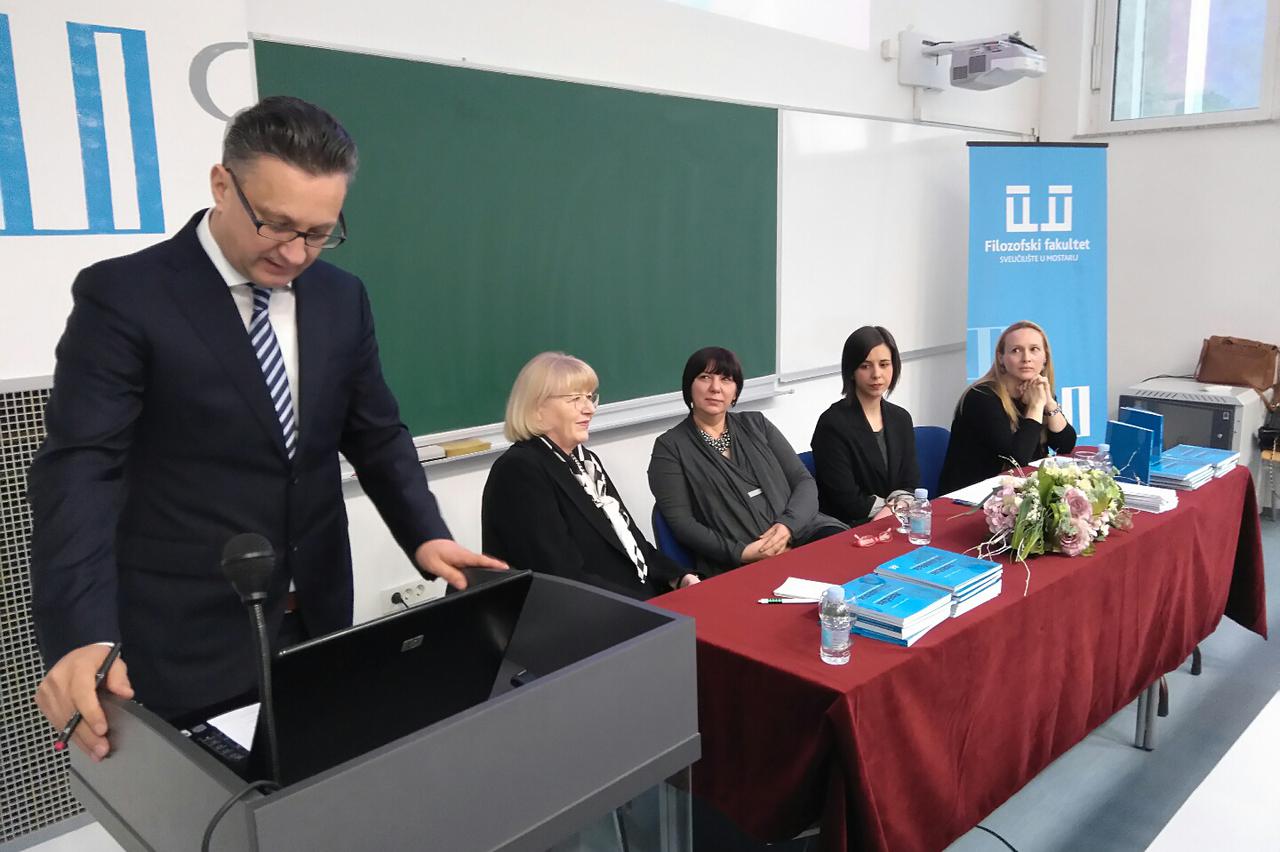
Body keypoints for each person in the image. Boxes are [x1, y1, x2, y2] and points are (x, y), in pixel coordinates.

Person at [28, 96, 505, 755]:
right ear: (222, 185)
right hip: (184, 633)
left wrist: (425, 533)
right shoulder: (126, 296)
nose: (295, 253)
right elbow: (80, 468)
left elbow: (375, 433)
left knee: (323, 782)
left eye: (319, 232)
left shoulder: (341, 297)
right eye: (276, 225)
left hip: (316, 615)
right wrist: (81, 632)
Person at [482, 352, 697, 599]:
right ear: (537, 408)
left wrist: (679, 577)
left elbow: (631, 543)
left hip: (628, 602)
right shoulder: (519, 470)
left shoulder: (585, 461)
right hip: (586, 613)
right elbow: (560, 576)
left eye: (590, 397)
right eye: (575, 399)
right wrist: (646, 606)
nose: (589, 409)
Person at [648, 347, 846, 577]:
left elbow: (803, 481)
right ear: (689, 387)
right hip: (736, 559)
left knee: (848, 560)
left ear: (735, 392)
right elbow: (683, 524)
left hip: (801, 532)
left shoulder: (757, 424)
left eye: (726, 379)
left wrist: (788, 527)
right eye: (705, 377)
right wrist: (742, 553)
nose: (715, 387)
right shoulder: (670, 448)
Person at [937, 320, 1077, 493]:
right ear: (1001, 358)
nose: (1026, 358)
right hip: (971, 498)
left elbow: (1065, 445)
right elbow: (1015, 460)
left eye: (1034, 349)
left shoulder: (1037, 391)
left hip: (1017, 493)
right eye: (1016, 350)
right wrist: (1035, 406)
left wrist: (1049, 402)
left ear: (1045, 357)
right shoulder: (981, 397)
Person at [810, 326, 919, 526]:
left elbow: (910, 482)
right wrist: (893, 509)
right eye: (865, 366)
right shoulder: (832, 424)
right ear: (851, 371)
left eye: (884, 364)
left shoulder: (901, 418)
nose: (876, 374)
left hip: (898, 521)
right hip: (850, 527)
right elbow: (847, 500)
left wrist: (895, 509)